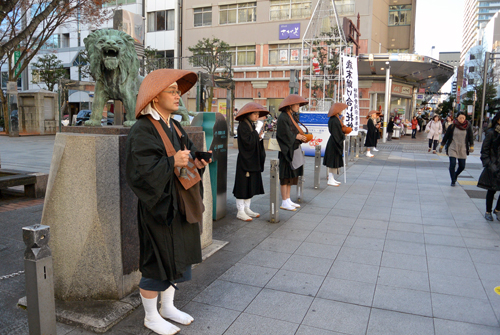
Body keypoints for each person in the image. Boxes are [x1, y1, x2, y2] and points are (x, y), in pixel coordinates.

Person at [125, 69, 211, 335]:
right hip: (160, 207)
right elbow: (141, 172)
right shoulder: (142, 129)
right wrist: (173, 162)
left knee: (178, 258)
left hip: (180, 204)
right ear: (154, 97)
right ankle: (151, 316)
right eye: (172, 91)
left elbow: (184, 152)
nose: (178, 96)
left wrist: (198, 158)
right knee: (157, 260)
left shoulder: (173, 124)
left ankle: (168, 307)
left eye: (178, 90)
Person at [233, 102, 269, 221]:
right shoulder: (243, 125)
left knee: (250, 184)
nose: (256, 116)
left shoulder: (250, 125)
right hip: (245, 160)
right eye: (254, 113)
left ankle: (247, 208)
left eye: (258, 114)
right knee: (242, 185)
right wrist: (256, 131)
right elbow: (247, 142)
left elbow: (253, 140)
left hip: (251, 159)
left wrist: (258, 136)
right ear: (248, 114)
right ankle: (240, 210)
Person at [276, 94, 309, 211]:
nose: (298, 106)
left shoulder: (291, 116)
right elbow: (283, 135)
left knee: (291, 176)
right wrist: (296, 136)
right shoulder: (283, 117)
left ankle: (288, 199)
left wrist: (300, 137)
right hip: (286, 152)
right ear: (290, 105)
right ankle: (284, 201)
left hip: (293, 150)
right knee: (285, 177)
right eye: (297, 104)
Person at [439, 112, 474, 187]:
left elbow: (471, 137)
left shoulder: (467, 127)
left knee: (462, 166)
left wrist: (471, 146)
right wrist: (442, 145)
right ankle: (453, 180)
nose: (462, 119)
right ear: (457, 118)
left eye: (463, 118)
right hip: (453, 147)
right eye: (460, 118)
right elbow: (446, 136)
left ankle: (455, 174)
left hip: (463, 148)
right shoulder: (452, 126)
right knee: (452, 164)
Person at [478, 112, 500, 221]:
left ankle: (498, 209)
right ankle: (488, 211)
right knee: (492, 190)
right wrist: (489, 164)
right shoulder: (491, 133)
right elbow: (484, 151)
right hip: (494, 165)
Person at [323, 102, 347, 186]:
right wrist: (343, 135)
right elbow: (337, 133)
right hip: (334, 142)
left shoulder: (335, 119)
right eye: (341, 110)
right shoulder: (334, 120)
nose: (342, 111)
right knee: (332, 161)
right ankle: (330, 179)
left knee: (334, 161)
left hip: (334, 141)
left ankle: (332, 178)